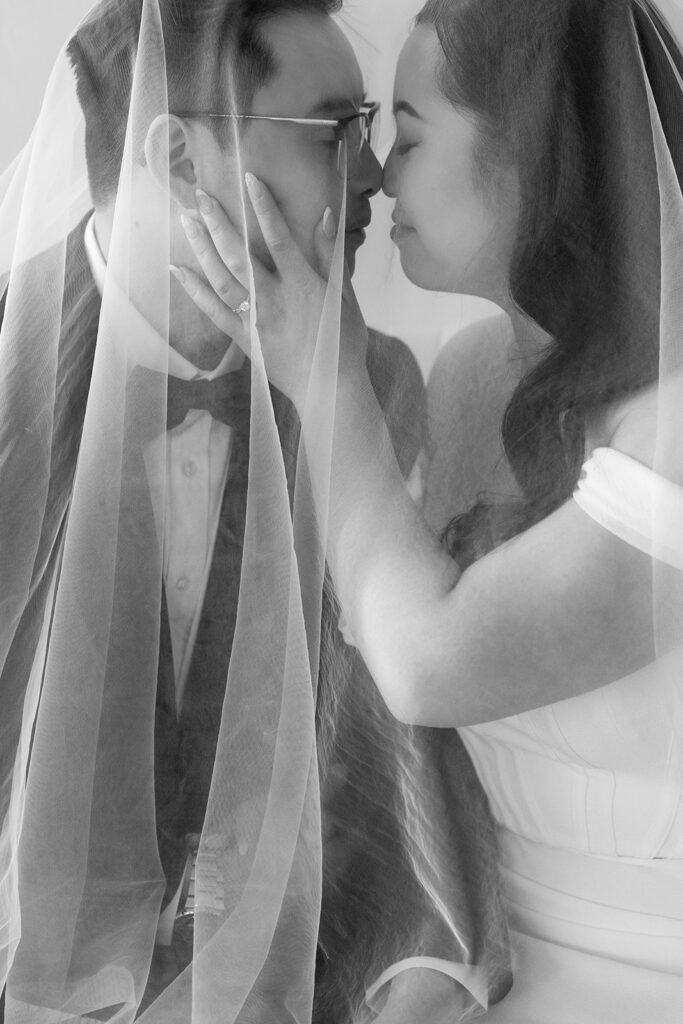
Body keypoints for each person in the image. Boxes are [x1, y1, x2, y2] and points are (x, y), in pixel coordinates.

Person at [0, 0, 511, 1020]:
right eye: (330, 132)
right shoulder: (12, 387)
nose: (371, 175)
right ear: (181, 164)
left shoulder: (371, 392)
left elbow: (397, 777)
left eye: (370, 128)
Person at [175, 0, 683, 1019]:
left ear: (533, 154)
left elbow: (428, 663)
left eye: (404, 133)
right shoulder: (463, 380)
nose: (375, 173)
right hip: (473, 966)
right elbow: (408, 755)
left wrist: (321, 366)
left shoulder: (671, 421)